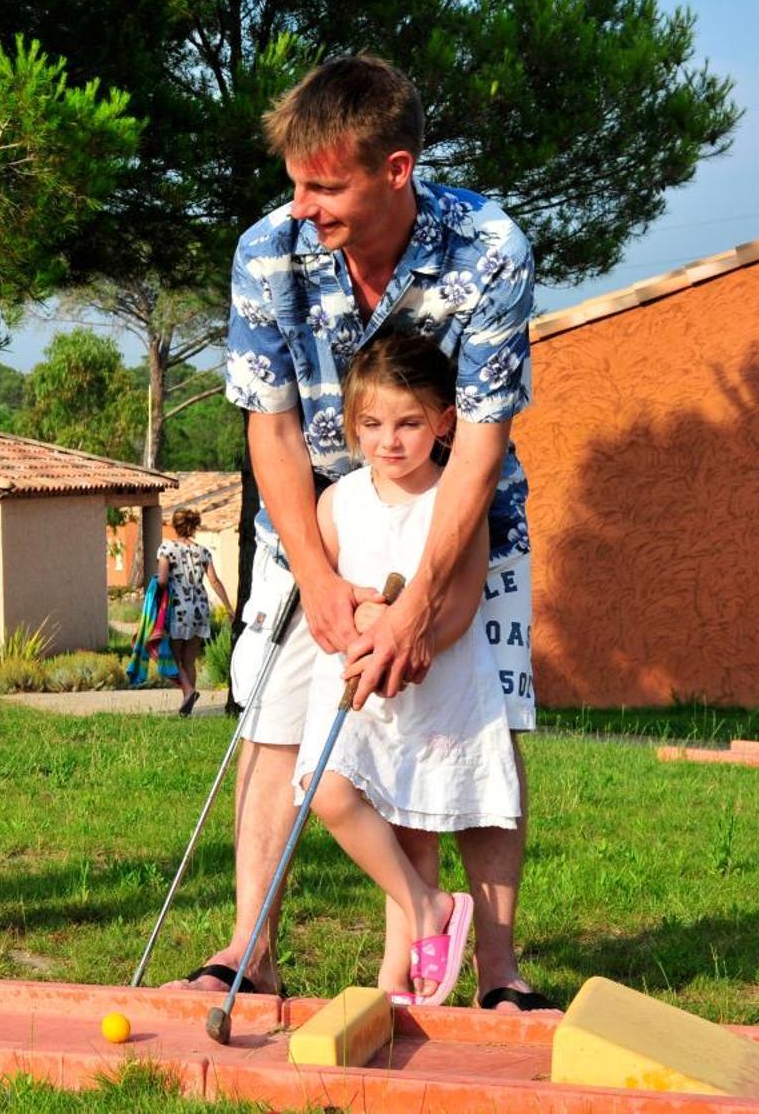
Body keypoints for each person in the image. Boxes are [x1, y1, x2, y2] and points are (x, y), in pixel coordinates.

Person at [168, 54, 554, 1012]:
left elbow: (481, 441)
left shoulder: (493, 250)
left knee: (479, 727)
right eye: (295, 181)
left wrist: (421, 600)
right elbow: (273, 423)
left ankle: (499, 971)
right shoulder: (269, 249)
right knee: (273, 721)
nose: (302, 205)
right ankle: (249, 952)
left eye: (325, 185)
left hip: (460, 518)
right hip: (317, 518)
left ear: (396, 170)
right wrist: (320, 574)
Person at [295, 331, 518, 1004]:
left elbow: (460, 600)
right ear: (351, 423)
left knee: (413, 829)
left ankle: (397, 978)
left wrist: (418, 645)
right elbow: (326, 597)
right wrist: (359, 623)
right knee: (326, 790)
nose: (388, 440)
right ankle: (431, 909)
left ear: (445, 420)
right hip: (354, 681)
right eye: (371, 424)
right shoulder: (338, 501)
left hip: (429, 680)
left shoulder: (455, 499)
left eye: (409, 422)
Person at [156, 508, 234, 716]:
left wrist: (155, 600)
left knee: (174, 657)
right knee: (189, 660)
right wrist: (228, 607)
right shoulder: (203, 551)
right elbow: (214, 581)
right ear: (194, 526)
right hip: (200, 608)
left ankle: (188, 691)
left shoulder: (167, 548)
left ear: (175, 526)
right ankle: (187, 705)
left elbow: (162, 580)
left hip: (178, 609)